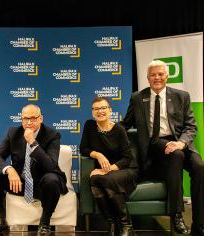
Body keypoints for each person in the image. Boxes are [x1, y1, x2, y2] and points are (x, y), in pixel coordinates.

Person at [121, 60, 204, 236]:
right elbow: (126, 123)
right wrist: (105, 131)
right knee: (176, 156)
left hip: (180, 142)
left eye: (160, 74)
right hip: (155, 143)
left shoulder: (181, 96)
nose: (157, 78)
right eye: (153, 75)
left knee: (199, 166)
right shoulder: (137, 97)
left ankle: (199, 223)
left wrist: (181, 142)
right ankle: (176, 214)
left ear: (167, 76)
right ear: (147, 78)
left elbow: (191, 127)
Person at [0, 104, 68, 236]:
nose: (29, 122)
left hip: (42, 184)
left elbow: (50, 166)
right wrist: (10, 170)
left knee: (52, 179)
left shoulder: (52, 135)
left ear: (40, 118)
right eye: (25, 119)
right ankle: (0, 222)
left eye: (33, 118)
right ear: (21, 119)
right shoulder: (13, 133)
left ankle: (45, 223)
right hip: (19, 183)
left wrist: (33, 142)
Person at [80, 97, 138, 236]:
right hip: (108, 173)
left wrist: (107, 169)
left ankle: (126, 225)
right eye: (96, 109)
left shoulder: (119, 129)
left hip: (125, 169)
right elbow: (84, 148)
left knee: (105, 179)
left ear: (110, 110)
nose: (100, 111)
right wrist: (98, 155)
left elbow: (127, 158)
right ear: (93, 112)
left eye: (103, 108)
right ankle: (112, 223)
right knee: (94, 180)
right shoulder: (89, 126)